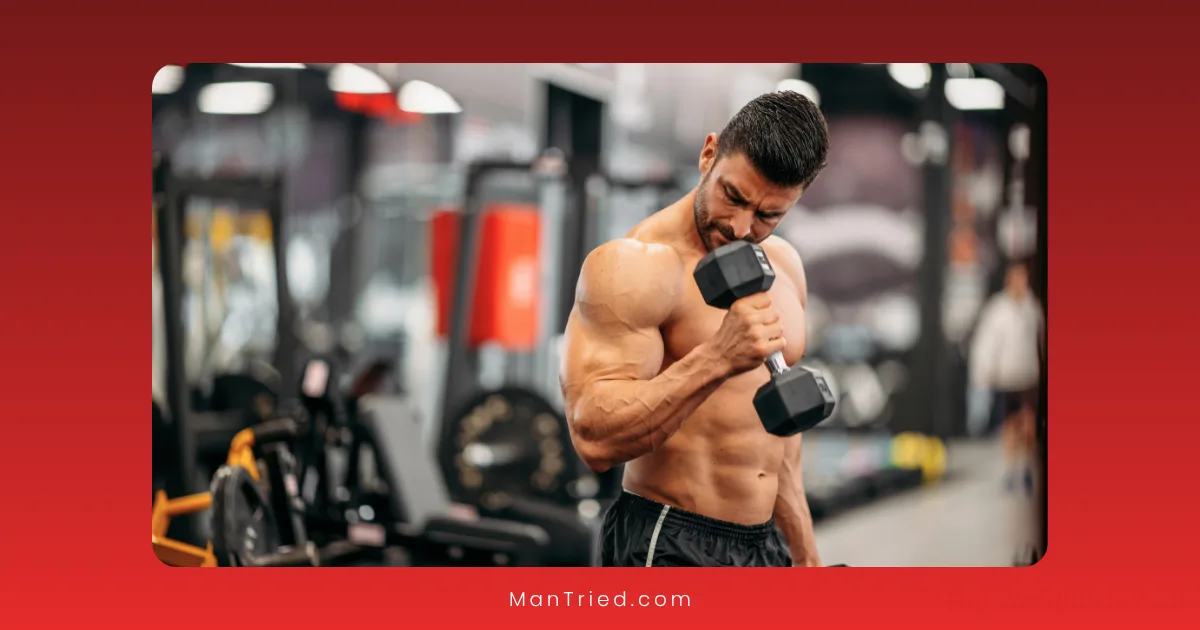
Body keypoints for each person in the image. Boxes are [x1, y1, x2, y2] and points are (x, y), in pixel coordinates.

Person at [559, 91, 830, 567]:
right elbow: (593, 438)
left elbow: (779, 436)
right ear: (709, 154)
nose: (742, 228)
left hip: (765, 548)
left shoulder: (785, 265)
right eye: (734, 196)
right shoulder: (635, 266)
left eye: (769, 215)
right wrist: (718, 357)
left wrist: (805, 554)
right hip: (668, 539)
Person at [969, 261, 1044, 494]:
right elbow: (987, 344)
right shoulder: (998, 310)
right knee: (1010, 425)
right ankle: (1012, 468)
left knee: (1028, 423)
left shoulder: (1033, 308)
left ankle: (1027, 466)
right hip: (1007, 376)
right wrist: (983, 373)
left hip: (1028, 375)